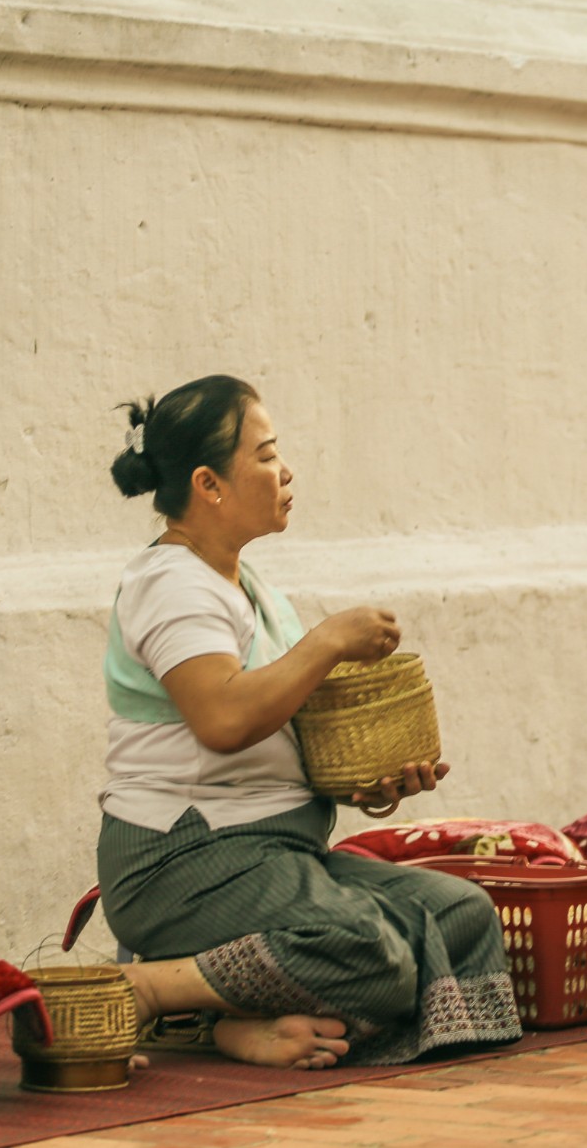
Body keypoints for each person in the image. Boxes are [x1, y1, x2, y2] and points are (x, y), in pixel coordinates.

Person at [95, 375, 521, 1067]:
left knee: (460, 916)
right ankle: (155, 989)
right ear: (209, 484)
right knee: (368, 948)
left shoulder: (249, 586)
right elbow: (224, 719)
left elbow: (280, 732)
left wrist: (366, 784)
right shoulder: (170, 582)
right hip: (184, 860)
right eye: (264, 456)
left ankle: (229, 1019)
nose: (285, 471)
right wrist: (326, 641)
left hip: (275, 854)